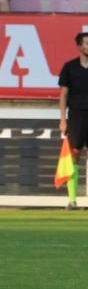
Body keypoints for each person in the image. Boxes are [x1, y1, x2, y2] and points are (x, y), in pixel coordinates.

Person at [58, 33, 88, 209]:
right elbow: (63, 94)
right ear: (80, 46)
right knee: (74, 155)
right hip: (76, 115)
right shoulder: (70, 67)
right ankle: (72, 200)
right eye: (87, 43)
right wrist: (63, 119)